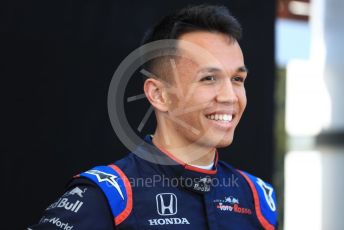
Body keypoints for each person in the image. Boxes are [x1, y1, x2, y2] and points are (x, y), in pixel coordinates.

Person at [27, 4, 278, 230]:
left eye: (237, 79)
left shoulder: (258, 198)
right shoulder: (108, 196)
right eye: (208, 79)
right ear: (159, 94)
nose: (230, 97)